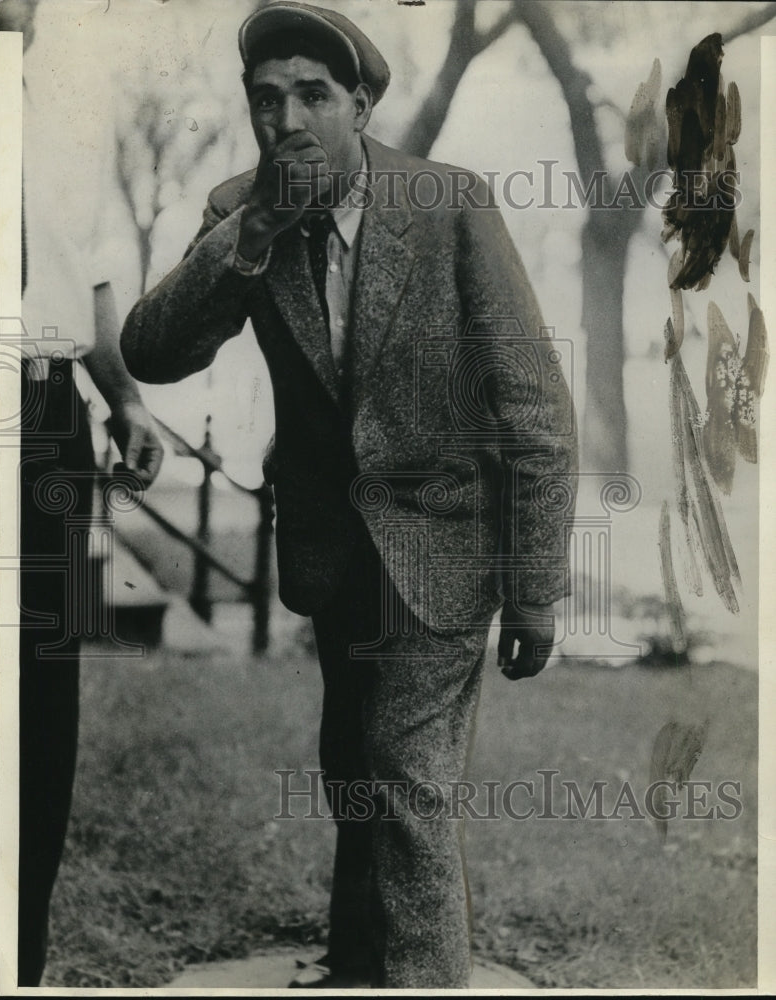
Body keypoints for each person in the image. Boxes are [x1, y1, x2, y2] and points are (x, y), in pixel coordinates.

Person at [121, 2, 577, 988]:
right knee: (354, 764)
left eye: (312, 96)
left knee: (407, 780)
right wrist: (249, 239)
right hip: (335, 550)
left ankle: (421, 980)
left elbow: (537, 409)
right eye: (266, 99)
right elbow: (151, 353)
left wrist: (536, 588)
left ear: (360, 103)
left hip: (447, 543)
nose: (285, 119)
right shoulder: (242, 209)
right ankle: (363, 959)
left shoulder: (449, 203)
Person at [0, 0, 165, 984]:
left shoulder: (66, 109)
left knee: (43, 697)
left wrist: (126, 399)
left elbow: (84, 274)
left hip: (51, 421)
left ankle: (22, 957)